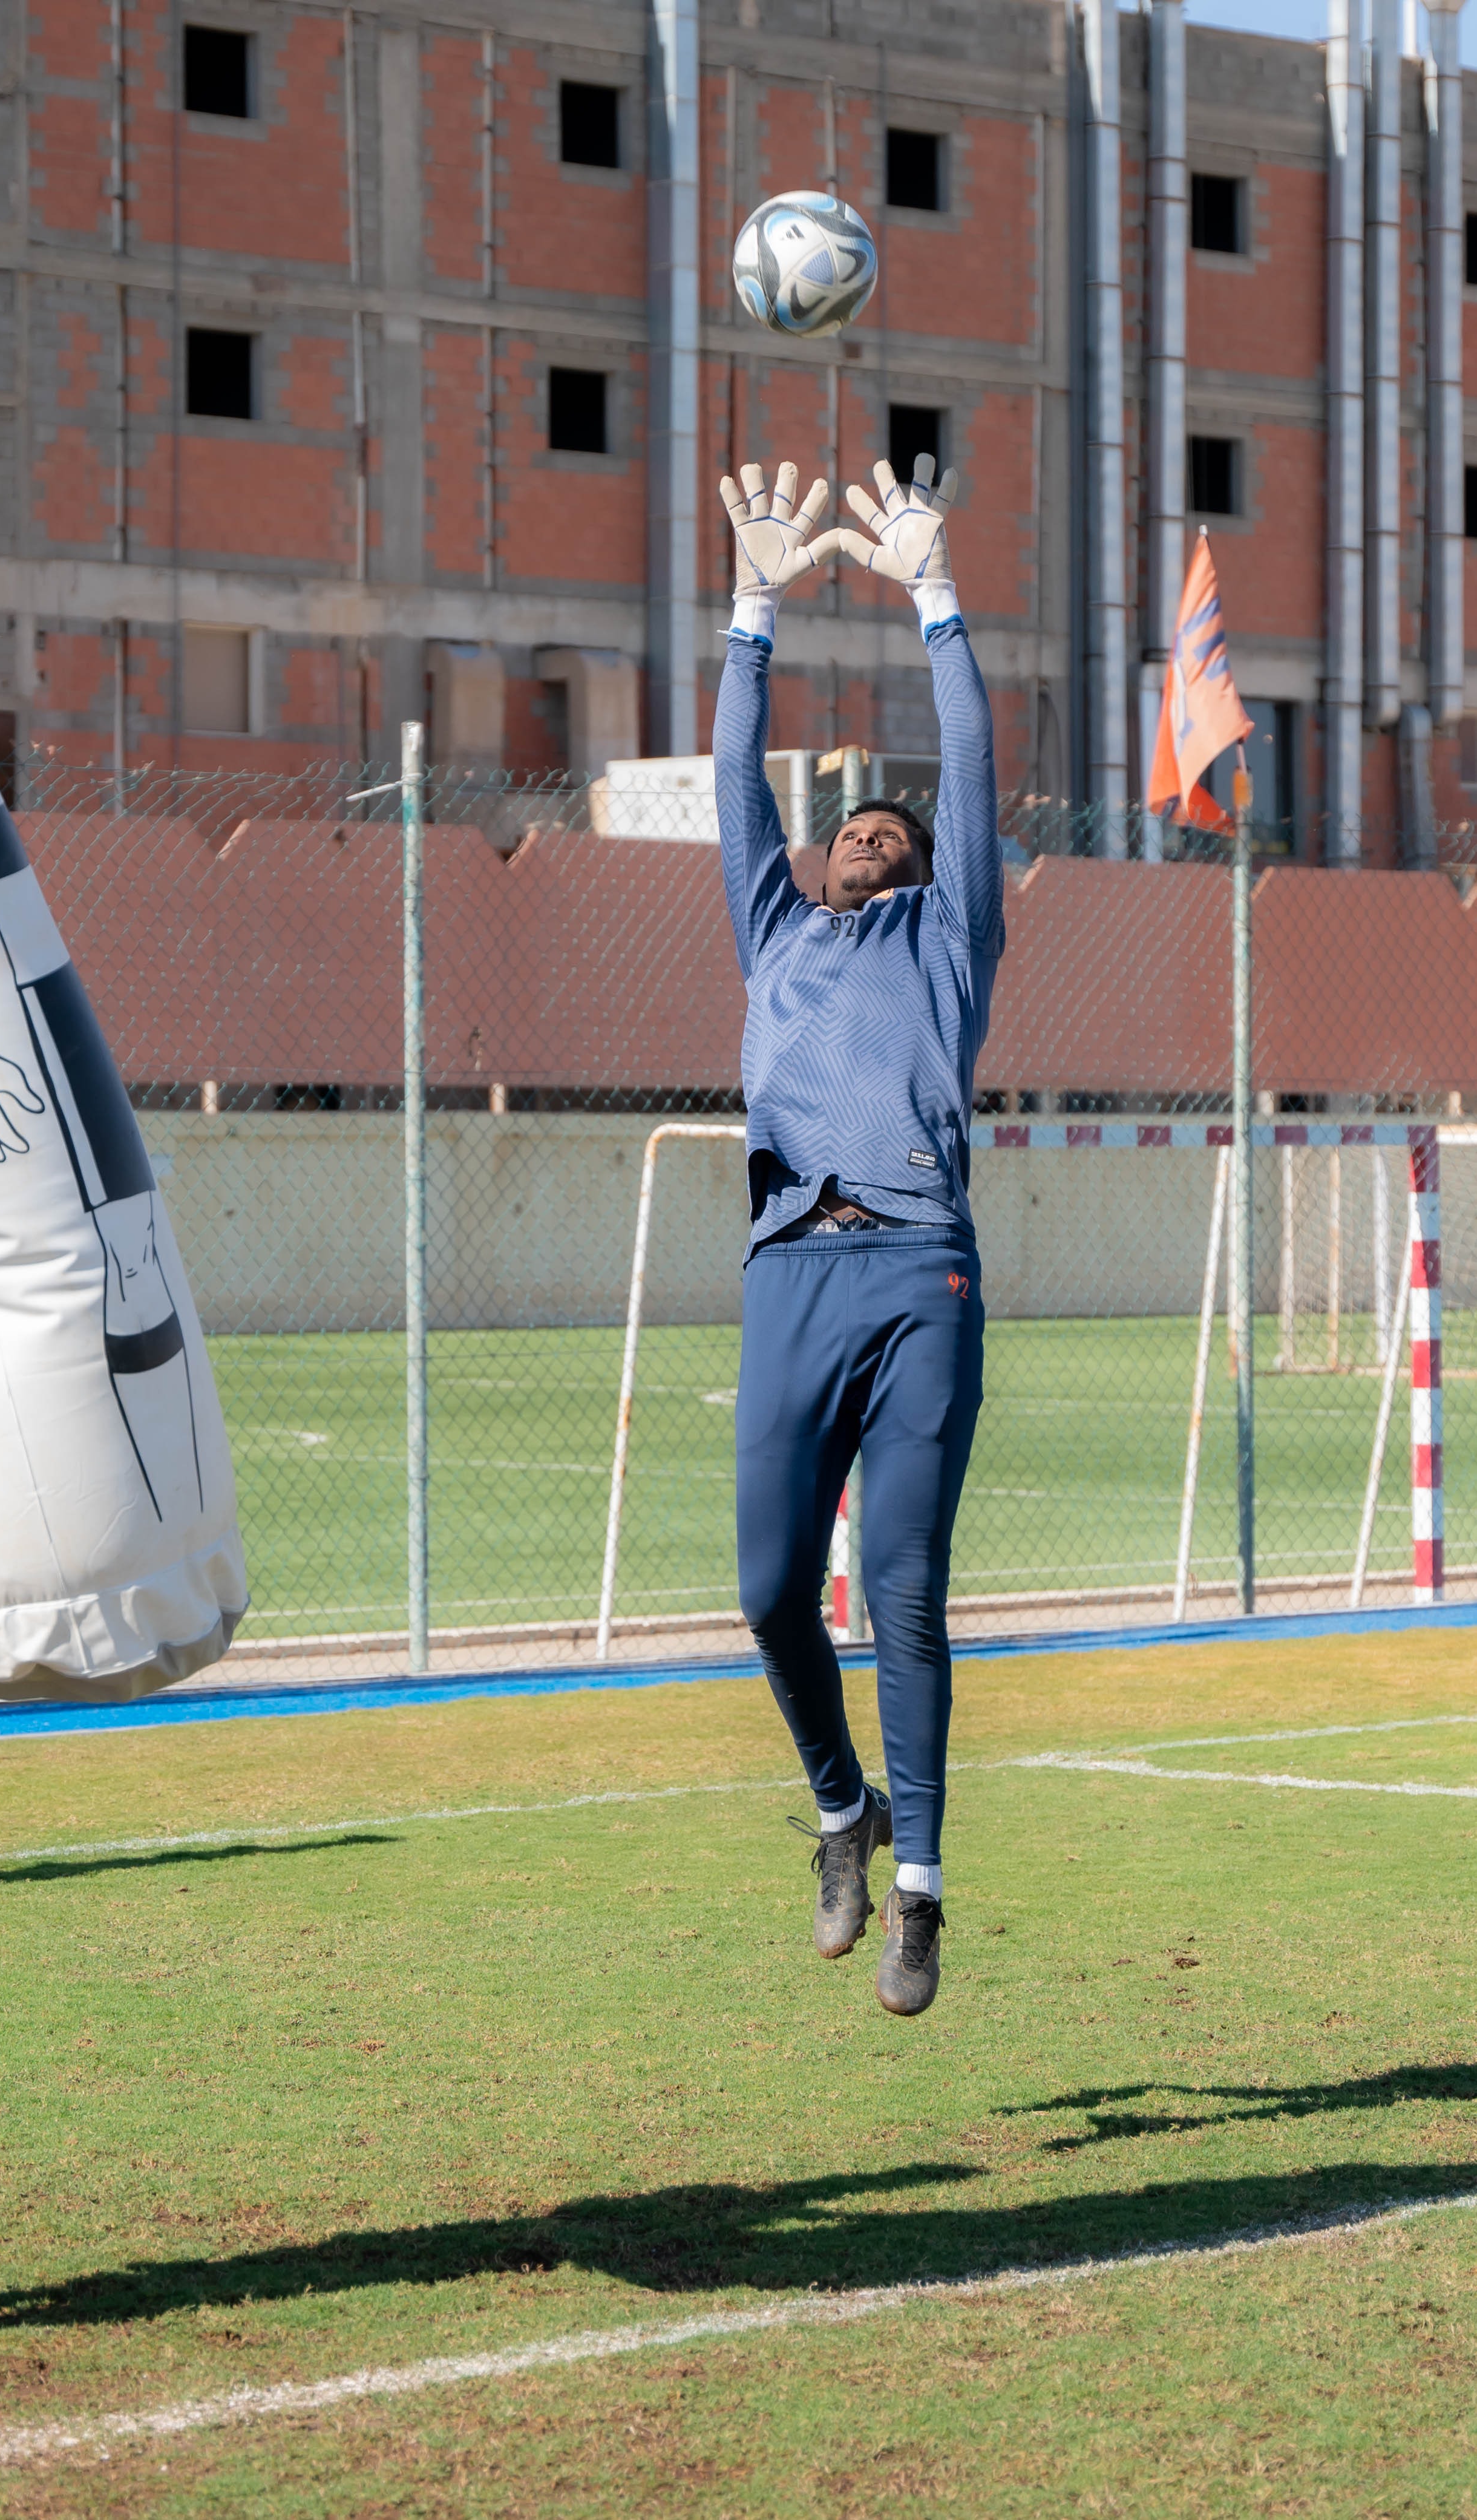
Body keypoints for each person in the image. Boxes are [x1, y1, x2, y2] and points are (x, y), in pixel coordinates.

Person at [712, 456, 1005, 2018]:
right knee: (766, 1589)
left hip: (913, 1267)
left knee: (896, 1582)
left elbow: (961, 756)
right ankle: (841, 1811)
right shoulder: (774, 925)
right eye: (855, 835)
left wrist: (929, 592)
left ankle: (919, 1888)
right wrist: (752, 609)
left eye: (896, 836)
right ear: (815, 863)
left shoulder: (946, 934)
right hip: (787, 1272)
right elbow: (730, 780)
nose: (875, 841)